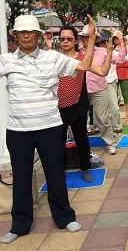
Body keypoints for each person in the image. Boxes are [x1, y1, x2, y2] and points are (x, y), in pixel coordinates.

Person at [0, 15, 97, 244]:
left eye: (30, 32)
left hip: (50, 127)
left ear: (38, 35)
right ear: (15, 36)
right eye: (21, 32)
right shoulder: (6, 61)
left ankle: (64, 217)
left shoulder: (53, 58)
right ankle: (20, 224)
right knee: (21, 177)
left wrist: (91, 37)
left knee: (55, 173)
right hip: (18, 130)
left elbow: (84, 66)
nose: (25, 36)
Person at [54, 26, 95, 183]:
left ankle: (85, 167)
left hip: (78, 104)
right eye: (62, 38)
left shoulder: (82, 58)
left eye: (69, 38)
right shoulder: (54, 58)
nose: (65, 41)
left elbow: (94, 67)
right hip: (58, 106)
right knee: (58, 141)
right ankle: (59, 170)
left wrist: (91, 38)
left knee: (81, 138)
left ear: (76, 41)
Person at [79, 26, 126, 155]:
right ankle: (79, 146)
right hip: (80, 90)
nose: (86, 39)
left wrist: (121, 43)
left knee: (103, 118)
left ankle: (110, 143)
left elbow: (120, 59)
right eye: (85, 37)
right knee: (79, 119)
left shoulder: (103, 51)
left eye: (89, 36)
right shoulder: (78, 52)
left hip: (99, 88)